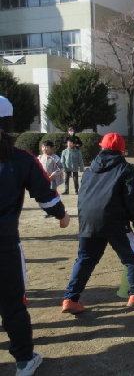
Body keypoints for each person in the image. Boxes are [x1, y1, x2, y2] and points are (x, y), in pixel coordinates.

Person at [62, 133, 134, 315]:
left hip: (88, 221)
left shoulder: (90, 170)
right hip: (114, 221)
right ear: (122, 150)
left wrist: (84, 222)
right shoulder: (125, 168)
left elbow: (83, 196)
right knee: (133, 258)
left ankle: (71, 298)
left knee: (84, 260)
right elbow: (132, 199)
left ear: (102, 147)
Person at [0, 129, 70, 376]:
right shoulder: (20, 158)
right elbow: (46, 196)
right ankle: (23, 359)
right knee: (12, 302)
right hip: (4, 242)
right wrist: (62, 215)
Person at [37, 140, 64, 218]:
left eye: (47, 147)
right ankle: (49, 211)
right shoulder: (40, 157)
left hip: (52, 180)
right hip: (42, 181)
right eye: (43, 147)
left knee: (52, 196)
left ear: (51, 148)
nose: (45, 149)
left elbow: (61, 167)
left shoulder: (55, 158)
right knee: (45, 196)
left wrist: (53, 174)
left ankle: (57, 211)